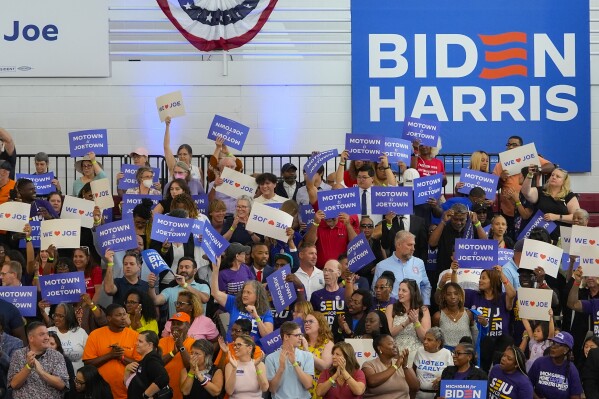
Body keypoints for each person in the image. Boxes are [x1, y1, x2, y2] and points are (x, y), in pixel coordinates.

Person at [493, 136, 555, 240]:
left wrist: (538, 169)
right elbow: (493, 187)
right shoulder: (500, 165)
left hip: (529, 208)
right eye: (508, 144)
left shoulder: (530, 158)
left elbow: (551, 166)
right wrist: (500, 179)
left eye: (514, 144)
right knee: (511, 240)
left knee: (528, 239)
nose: (511, 147)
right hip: (508, 211)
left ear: (521, 147)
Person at [82, 303, 141, 399]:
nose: (123, 318)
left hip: (127, 393)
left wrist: (121, 357)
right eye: (118, 315)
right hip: (100, 393)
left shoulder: (135, 336)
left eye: (124, 314)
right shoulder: (95, 335)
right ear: (109, 318)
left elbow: (140, 365)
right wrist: (110, 355)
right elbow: (88, 363)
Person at [464, 267, 516, 372]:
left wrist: (501, 274)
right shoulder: (474, 295)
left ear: (493, 281)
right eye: (480, 278)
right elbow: (456, 291)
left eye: (483, 278)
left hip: (500, 342)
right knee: (486, 344)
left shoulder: (503, 297)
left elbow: (512, 293)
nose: (480, 280)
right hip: (481, 341)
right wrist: (454, 273)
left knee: (506, 340)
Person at [211, 256, 274, 342]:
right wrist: (216, 269)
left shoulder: (266, 311)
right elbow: (215, 293)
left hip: (253, 352)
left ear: (257, 295)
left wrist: (256, 316)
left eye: (248, 292)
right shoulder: (234, 302)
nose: (244, 295)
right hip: (231, 348)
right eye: (244, 292)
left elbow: (267, 337)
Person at [8, 322, 69, 399]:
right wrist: (28, 367)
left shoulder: (56, 356)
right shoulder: (18, 355)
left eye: (47, 334)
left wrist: (41, 372)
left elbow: (62, 384)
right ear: (31, 338)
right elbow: (14, 384)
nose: (47, 337)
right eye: (42, 334)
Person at [374, 231, 432, 305]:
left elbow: (425, 285)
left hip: (415, 310)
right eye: (409, 245)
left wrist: (425, 304)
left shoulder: (419, 263)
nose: (413, 249)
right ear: (398, 245)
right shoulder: (381, 266)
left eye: (414, 245)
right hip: (392, 311)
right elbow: (375, 291)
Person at [387, 279, 431, 365]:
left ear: (412, 293)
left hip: (416, 355)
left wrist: (416, 322)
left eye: (404, 291)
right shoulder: (391, 308)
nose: (400, 293)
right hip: (396, 353)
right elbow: (390, 333)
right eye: (399, 290)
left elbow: (424, 338)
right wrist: (406, 322)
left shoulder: (423, 310)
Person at [266, 321, 314, 399]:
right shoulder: (270, 358)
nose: (301, 338)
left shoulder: (307, 356)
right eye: (297, 335)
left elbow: (308, 385)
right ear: (286, 337)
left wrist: (294, 364)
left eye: (301, 335)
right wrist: (281, 368)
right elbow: (272, 389)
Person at [528, 331, 583, 399]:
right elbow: (527, 386)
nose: (552, 347)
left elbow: (575, 396)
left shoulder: (572, 370)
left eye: (557, 344)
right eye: (552, 343)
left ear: (566, 350)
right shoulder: (539, 362)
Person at [362, 334, 419, 398]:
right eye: (390, 343)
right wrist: (396, 366)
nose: (395, 346)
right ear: (379, 348)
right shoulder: (369, 364)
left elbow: (415, 387)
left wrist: (405, 366)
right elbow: (372, 382)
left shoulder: (402, 364)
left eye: (395, 343)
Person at [158, 312, 194, 399]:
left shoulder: (194, 343)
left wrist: (181, 346)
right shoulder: (162, 341)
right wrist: (173, 352)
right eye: (173, 324)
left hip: (183, 390)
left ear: (188, 326)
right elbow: (158, 364)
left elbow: (190, 366)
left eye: (179, 324)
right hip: (164, 390)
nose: (175, 327)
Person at [125, 331, 170, 399]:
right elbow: (129, 385)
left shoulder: (152, 360)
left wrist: (146, 395)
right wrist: (127, 370)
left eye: (140, 341)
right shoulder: (145, 360)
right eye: (137, 340)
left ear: (150, 345)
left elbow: (163, 378)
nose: (136, 343)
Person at [432, 282, 476, 349]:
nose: (453, 297)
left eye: (456, 294)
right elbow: (435, 338)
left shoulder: (468, 314)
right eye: (449, 294)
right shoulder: (438, 316)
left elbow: (475, 334)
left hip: (465, 354)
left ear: (460, 295)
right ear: (444, 296)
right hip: (446, 355)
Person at [412, 327, 453, 399]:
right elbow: (413, 371)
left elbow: (452, 375)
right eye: (425, 339)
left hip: (438, 395)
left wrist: (442, 378)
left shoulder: (447, 353)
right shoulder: (420, 351)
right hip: (420, 394)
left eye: (429, 340)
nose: (425, 342)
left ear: (438, 342)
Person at [224, 334, 269, 398]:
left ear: (250, 348)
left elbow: (264, 388)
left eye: (239, 344)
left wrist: (256, 367)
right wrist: (234, 369)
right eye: (235, 345)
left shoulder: (260, 364)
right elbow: (229, 391)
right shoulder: (230, 365)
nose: (235, 347)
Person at [164, 116, 203, 188]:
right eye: (180, 154)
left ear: (190, 156)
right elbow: (166, 147)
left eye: (185, 154)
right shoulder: (174, 166)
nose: (182, 156)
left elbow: (200, 189)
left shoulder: (197, 170)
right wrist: (167, 126)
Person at [302, 311, 334, 397]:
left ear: (320, 324)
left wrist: (307, 351)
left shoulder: (327, 344)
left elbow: (324, 367)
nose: (307, 324)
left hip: (318, 388)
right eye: (305, 322)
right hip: (300, 387)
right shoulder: (300, 341)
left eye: (310, 321)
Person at [48, 303, 89, 371]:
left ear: (69, 317)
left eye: (61, 316)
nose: (56, 318)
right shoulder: (48, 332)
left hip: (77, 378)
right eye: (55, 315)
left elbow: (89, 356)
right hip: (54, 378)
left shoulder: (80, 332)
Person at [310, 259, 345, 327]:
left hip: (342, 335)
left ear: (339, 273)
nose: (326, 273)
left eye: (330, 271)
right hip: (323, 335)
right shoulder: (316, 295)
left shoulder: (345, 293)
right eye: (325, 270)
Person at [47, 331, 76, 399]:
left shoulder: (65, 361)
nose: (49, 346)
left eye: (52, 344)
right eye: (46, 343)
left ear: (57, 346)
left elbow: (70, 384)